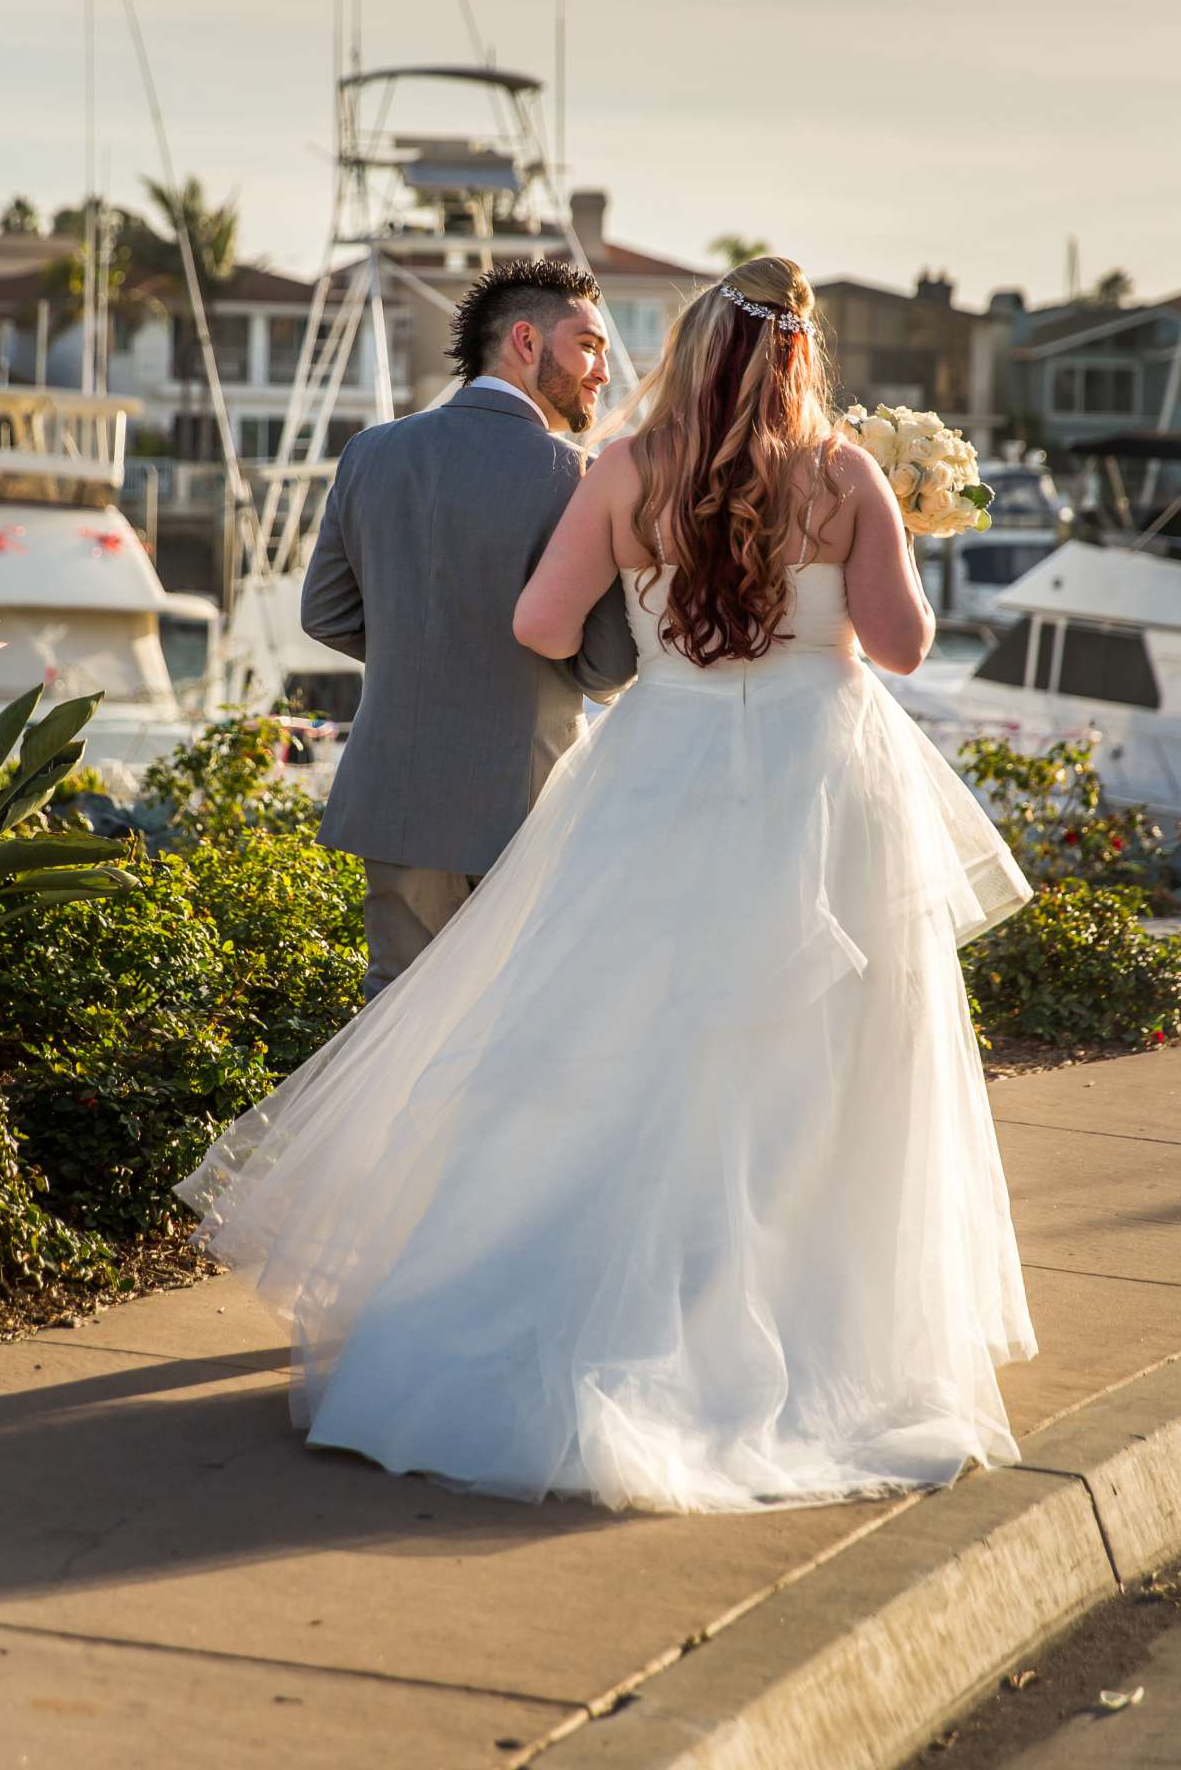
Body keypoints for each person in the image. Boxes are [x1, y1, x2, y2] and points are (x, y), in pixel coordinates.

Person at [178, 256, 1035, 1515]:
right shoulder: (843, 475)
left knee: (613, 1046)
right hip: (816, 783)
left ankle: (526, 1300)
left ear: (688, 351)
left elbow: (540, 624)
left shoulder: (628, 471)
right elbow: (901, 645)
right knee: (819, 1062)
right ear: (802, 359)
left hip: (664, 766)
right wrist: (872, 543)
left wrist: (662, 636)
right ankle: (803, 1332)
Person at [300, 257, 638, 1001]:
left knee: (393, 1009)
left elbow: (323, 614)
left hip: (393, 793)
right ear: (525, 340)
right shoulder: (572, 476)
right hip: (520, 801)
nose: (602, 373)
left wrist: (421, 651)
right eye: (588, 346)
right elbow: (606, 666)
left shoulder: (371, 453)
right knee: (509, 1016)